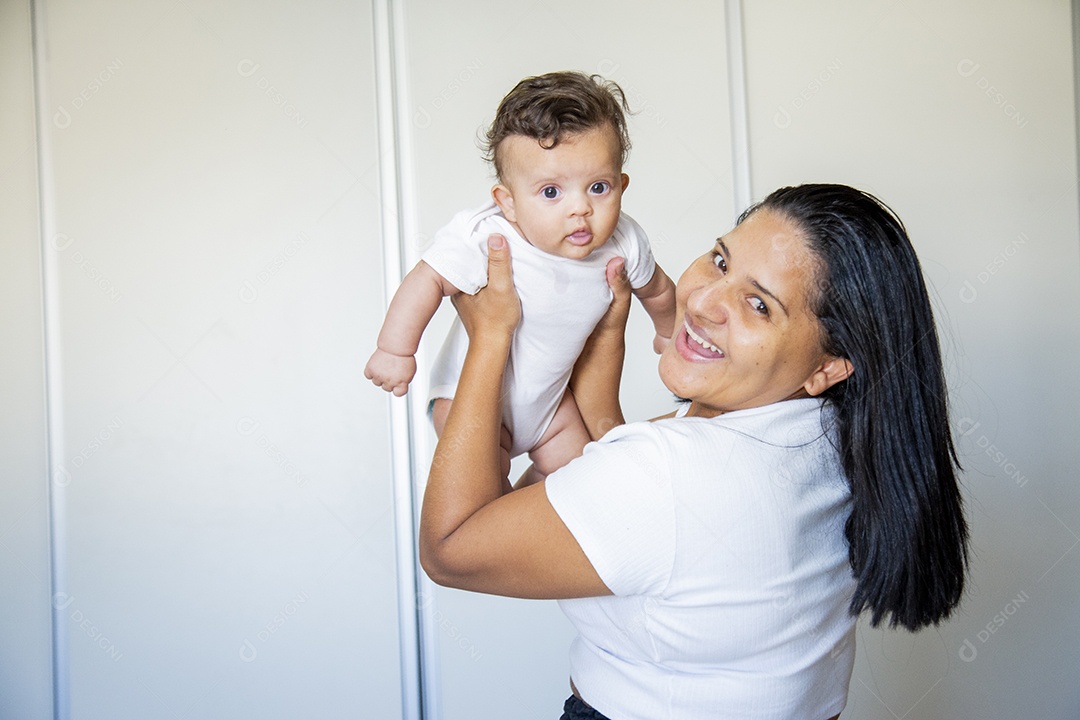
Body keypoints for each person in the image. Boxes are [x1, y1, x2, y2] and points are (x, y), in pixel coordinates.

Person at [418, 184, 970, 720]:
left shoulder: (673, 472)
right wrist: (605, 347)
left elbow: (450, 549)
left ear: (829, 365)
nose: (704, 302)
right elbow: (634, 505)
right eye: (720, 261)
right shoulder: (835, 439)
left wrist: (491, 336)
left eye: (759, 305)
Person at [364, 71, 676, 483]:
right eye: (551, 192)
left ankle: (524, 506)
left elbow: (658, 290)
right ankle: (503, 506)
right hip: (466, 398)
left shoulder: (625, 240)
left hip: (550, 406)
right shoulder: (488, 235)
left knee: (580, 476)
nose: (580, 208)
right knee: (483, 484)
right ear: (507, 202)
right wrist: (395, 349)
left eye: (599, 187)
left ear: (622, 184)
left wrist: (668, 330)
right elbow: (428, 280)